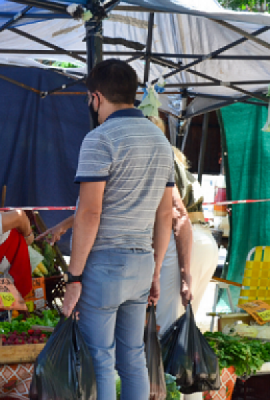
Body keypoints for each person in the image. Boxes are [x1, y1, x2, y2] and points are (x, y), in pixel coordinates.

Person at [38, 59, 174, 400]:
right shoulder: (161, 142)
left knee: (98, 358)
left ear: (96, 97)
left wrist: (74, 278)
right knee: (132, 358)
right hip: (143, 262)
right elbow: (165, 214)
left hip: (105, 264)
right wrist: (156, 270)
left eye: (89, 98)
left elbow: (90, 213)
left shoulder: (100, 139)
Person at [149, 116, 219, 340]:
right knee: (182, 331)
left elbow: (178, 216)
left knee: (166, 331)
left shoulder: (155, 157)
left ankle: (168, 376)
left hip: (183, 242)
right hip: (205, 241)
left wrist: (183, 273)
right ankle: (181, 375)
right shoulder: (172, 155)